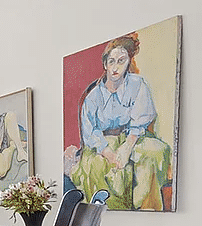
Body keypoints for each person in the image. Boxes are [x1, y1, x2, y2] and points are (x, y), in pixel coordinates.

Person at [66, 32, 171, 210]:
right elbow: (91, 132)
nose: (116, 67)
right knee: (98, 165)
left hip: (134, 137)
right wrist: (111, 154)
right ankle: (110, 211)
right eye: (111, 61)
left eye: (121, 61)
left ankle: (147, 208)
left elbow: (141, 118)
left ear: (128, 62)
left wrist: (127, 146)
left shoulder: (138, 85)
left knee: (156, 151)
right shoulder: (93, 97)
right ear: (105, 64)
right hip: (103, 143)